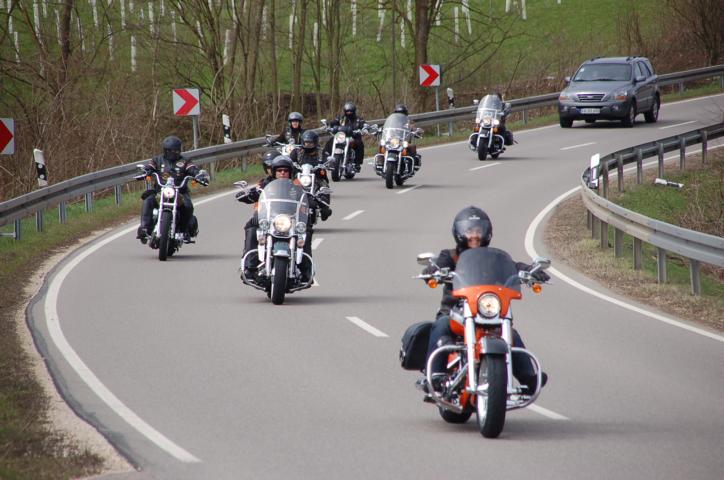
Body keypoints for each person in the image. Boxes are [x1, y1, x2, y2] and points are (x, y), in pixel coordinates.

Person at [421, 206, 550, 396]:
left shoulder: (494, 258)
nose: (474, 235)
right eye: (469, 231)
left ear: (486, 232)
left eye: (478, 230)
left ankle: (529, 378)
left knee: (511, 335)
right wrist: (433, 270)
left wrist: (530, 270)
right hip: (455, 311)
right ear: (459, 233)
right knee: (441, 326)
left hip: (487, 311)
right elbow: (439, 265)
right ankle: (434, 376)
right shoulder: (449, 256)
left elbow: (513, 266)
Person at [237, 156, 314, 282]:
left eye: (285, 170)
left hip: (291, 220)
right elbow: (255, 192)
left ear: (290, 172)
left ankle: (306, 270)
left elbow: (306, 196)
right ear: (274, 172)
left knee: (306, 231)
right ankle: (249, 267)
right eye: (279, 170)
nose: (282, 173)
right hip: (269, 219)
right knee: (251, 227)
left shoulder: (296, 185)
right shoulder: (264, 184)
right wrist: (247, 194)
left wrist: (315, 200)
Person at [136, 135, 201, 243]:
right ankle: (144, 228)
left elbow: (192, 169)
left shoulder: (185, 161)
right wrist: (145, 171)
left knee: (188, 206)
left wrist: (198, 175)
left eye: (176, 150)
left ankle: (184, 231)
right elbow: (150, 167)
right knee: (148, 200)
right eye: (171, 151)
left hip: (180, 192)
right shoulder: (157, 160)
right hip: (160, 191)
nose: (174, 153)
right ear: (165, 150)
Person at [290, 130, 332, 221]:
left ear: (315, 142)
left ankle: (325, 208)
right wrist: (290, 163)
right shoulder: (296, 152)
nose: (308, 145)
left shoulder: (321, 152)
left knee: (324, 185)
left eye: (310, 143)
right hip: (299, 177)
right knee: (289, 186)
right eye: (306, 142)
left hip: (316, 176)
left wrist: (327, 163)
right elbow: (289, 160)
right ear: (303, 142)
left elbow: (327, 159)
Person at [323, 101, 367, 172]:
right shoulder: (341, 118)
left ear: (353, 111)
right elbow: (333, 122)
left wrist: (365, 127)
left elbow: (363, 124)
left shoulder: (358, 119)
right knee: (330, 141)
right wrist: (328, 125)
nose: (349, 113)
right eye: (347, 111)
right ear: (345, 111)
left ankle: (357, 163)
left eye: (350, 111)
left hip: (353, 137)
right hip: (341, 136)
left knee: (359, 144)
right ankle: (326, 159)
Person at [392, 103, 422, 170]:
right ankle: (380, 162)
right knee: (382, 145)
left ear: (405, 113)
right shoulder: (393, 121)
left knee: (412, 147)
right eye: (398, 113)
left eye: (402, 113)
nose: (400, 115)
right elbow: (387, 128)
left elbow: (413, 128)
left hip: (404, 142)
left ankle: (411, 166)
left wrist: (416, 131)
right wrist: (381, 130)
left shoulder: (409, 122)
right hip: (394, 141)